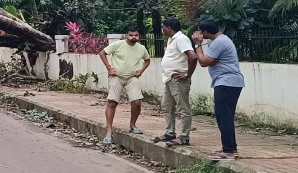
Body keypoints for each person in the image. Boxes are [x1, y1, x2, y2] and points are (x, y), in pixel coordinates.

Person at [194, 19, 245, 161]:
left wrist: (198, 45)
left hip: (226, 83)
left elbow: (204, 62)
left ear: (205, 32)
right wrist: (209, 59)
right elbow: (211, 60)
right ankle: (230, 148)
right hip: (228, 82)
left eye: (200, 32)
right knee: (224, 116)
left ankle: (228, 151)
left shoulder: (219, 42)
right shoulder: (219, 41)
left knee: (224, 117)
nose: (198, 34)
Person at [98, 26, 151, 144]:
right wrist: (109, 68)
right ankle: (109, 132)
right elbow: (102, 53)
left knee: (137, 102)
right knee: (112, 102)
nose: (134, 37)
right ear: (126, 35)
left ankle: (133, 125)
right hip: (116, 76)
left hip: (132, 77)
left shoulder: (141, 48)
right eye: (131, 35)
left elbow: (147, 60)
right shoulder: (117, 44)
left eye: (136, 35)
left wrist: (141, 71)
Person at [153, 18, 197, 146]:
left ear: (169, 28)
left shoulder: (181, 39)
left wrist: (188, 74)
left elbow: (192, 56)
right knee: (167, 106)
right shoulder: (172, 39)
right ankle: (170, 133)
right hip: (169, 78)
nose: (162, 29)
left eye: (163, 27)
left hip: (178, 79)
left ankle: (184, 136)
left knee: (182, 107)